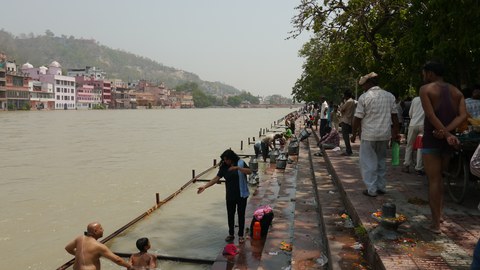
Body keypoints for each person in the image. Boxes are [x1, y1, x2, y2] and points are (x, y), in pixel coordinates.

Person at [419, 61, 467, 234]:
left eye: (424, 73)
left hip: (433, 138)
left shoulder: (426, 90)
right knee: (441, 179)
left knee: (434, 180)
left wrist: (444, 133)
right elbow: (463, 116)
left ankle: (435, 225)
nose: (423, 77)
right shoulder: (457, 92)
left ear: (430, 73)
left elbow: (430, 115)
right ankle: (439, 215)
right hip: (449, 140)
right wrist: (448, 133)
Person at [350, 72, 399, 197]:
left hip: (369, 135)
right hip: (384, 134)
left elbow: (357, 118)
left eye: (364, 85)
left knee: (368, 163)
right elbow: (395, 118)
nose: (363, 87)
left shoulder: (364, 97)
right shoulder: (389, 96)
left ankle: (371, 189)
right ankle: (381, 187)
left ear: (369, 83)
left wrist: (354, 134)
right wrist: (395, 134)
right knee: (381, 161)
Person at [197, 149, 252, 244]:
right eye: (224, 159)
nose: (225, 161)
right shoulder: (224, 167)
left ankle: (240, 235)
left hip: (242, 195)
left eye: (227, 159)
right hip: (230, 195)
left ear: (231, 158)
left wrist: (238, 168)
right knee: (230, 215)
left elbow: (250, 172)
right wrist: (205, 186)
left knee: (241, 215)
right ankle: (231, 234)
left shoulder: (241, 163)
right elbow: (216, 178)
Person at [65, 222, 132, 270]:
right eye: (101, 228)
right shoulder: (99, 246)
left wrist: (79, 255)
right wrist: (129, 266)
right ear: (95, 231)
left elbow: (68, 248)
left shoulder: (80, 238)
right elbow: (117, 259)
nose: (103, 230)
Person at [402, 95, 425, 174]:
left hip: (413, 124)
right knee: (421, 146)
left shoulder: (415, 99)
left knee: (409, 145)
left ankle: (407, 165)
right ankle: (419, 167)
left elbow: (410, 113)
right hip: (423, 125)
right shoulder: (430, 98)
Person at [339, 91, 356, 156]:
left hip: (345, 120)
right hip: (350, 120)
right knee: (346, 136)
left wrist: (342, 101)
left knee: (345, 136)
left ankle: (348, 150)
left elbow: (342, 109)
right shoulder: (353, 101)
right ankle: (348, 150)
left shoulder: (348, 101)